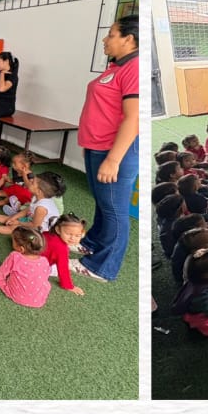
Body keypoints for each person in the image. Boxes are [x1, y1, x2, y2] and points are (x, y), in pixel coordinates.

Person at [78, 18, 140, 283]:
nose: (105, 39)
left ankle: (102, 267)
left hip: (115, 151)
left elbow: (134, 117)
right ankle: (92, 244)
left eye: (111, 35)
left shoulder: (135, 67)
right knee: (103, 202)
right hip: (97, 146)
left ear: (129, 39)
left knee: (114, 209)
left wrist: (113, 159)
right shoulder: (117, 66)